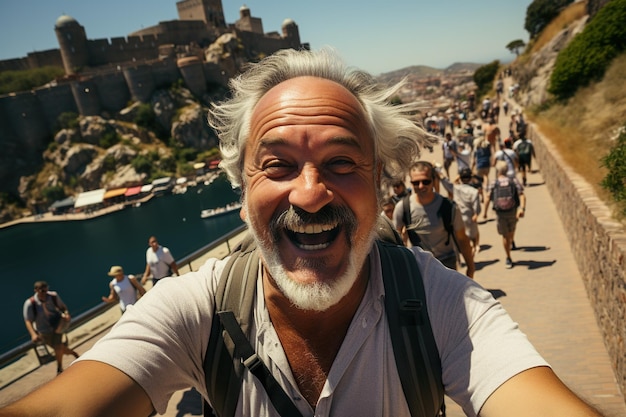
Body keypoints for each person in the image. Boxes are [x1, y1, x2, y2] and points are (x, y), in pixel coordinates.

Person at [0, 49, 605, 417]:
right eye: (278, 164)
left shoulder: (446, 307)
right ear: (242, 191)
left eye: (343, 163)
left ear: (379, 185)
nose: (311, 193)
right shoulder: (192, 311)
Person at [393, 161, 475, 278]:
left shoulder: (449, 207)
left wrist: (470, 267)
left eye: (425, 182)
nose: (421, 186)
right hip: (420, 266)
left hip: (446, 264)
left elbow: (462, 239)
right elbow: (394, 242)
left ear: (433, 180)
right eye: (416, 183)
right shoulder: (403, 208)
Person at [22, 281, 79, 375]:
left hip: (57, 325)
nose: (44, 293)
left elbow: (63, 307)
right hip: (44, 330)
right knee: (59, 348)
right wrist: (33, 334)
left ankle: (59, 368)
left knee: (57, 346)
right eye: (41, 291)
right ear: (36, 290)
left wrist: (66, 314)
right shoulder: (30, 303)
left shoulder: (53, 296)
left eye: (45, 290)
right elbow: (28, 320)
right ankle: (73, 353)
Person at [483, 161, 527, 269]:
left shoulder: (494, 183)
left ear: (497, 171)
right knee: (511, 232)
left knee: (505, 236)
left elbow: (488, 197)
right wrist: (522, 208)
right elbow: (522, 194)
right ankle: (511, 243)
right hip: (512, 211)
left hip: (500, 212)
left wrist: (484, 212)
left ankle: (508, 257)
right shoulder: (513, 180)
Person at [441, 168, 482, 257]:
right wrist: (476, 214)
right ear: (470, 178)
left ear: (460, 178)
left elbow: (446, 182)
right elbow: (477, 207)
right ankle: (472, 253)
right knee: (472, 237)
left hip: (457, 217)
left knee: (461, 239)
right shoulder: (474, 192)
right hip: (469, 217)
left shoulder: (456, 188)